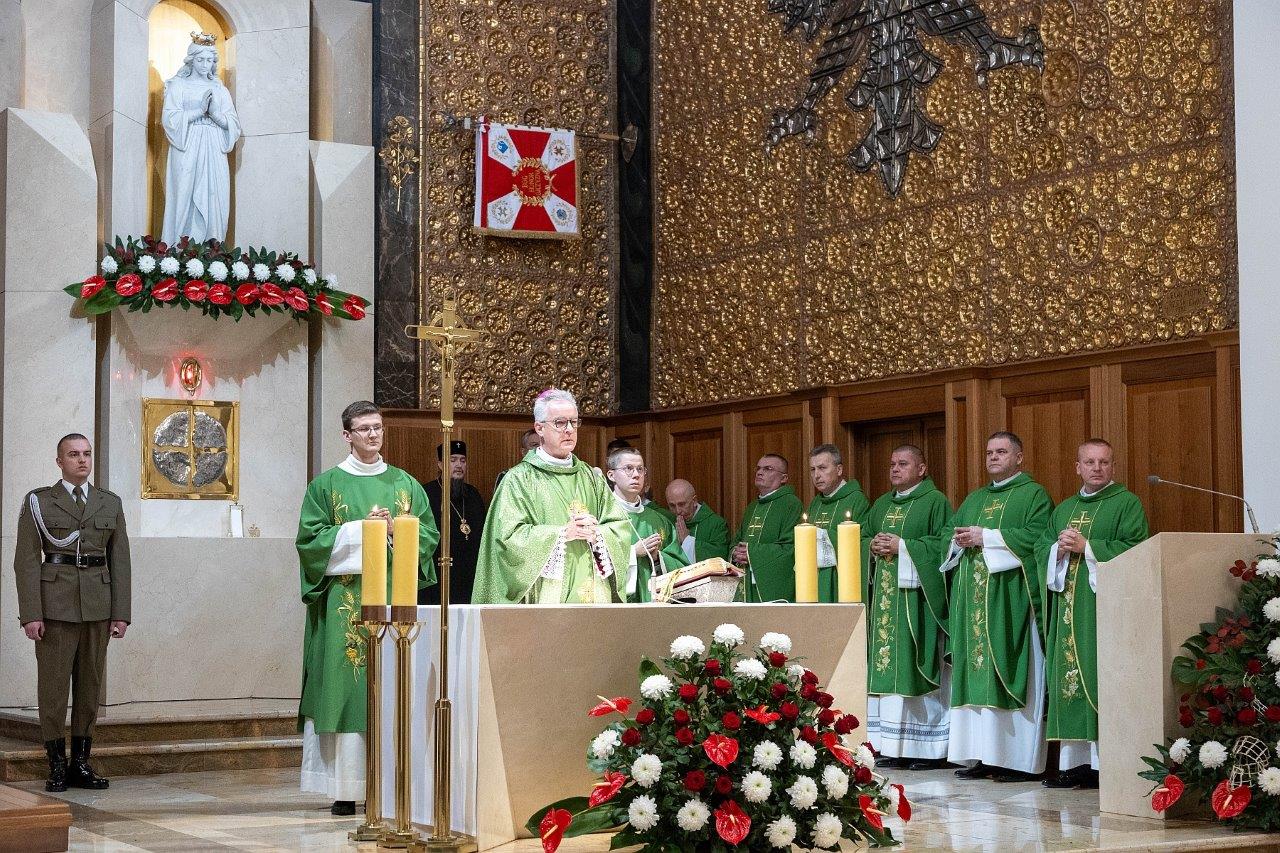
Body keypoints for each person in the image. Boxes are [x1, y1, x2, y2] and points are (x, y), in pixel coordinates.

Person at [295, 401, 438, 815]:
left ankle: (392, 785)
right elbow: (310, 542)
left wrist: (395, 530)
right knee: (346, 689)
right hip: (344, 606)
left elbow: (428, 538)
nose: (373, 435)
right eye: (364, 429)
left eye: (378, 427)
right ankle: (345, 787)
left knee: (393, 686)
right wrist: (362, 530)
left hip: (395, 602)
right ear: (347, 435)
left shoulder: (405, 484)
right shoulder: (325, 485)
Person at [14, 434, 130, 793]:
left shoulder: (109, 502)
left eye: (87, 454)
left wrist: (121, 612)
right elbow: (26, 561)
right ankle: (57, 764)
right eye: (74, 454)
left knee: (89, 687)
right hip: (56, 606)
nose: (82, 460)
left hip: (97, 606)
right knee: (53, 689)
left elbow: (120, 560)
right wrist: (31, 613)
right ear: (59, 461)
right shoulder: (39, 501)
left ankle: (81, 762)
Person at [1036, 439, 1148, 789]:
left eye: (1103, 462)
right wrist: (1056, 551)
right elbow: (1040, 547)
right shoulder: (1064, 508)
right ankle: (1075, 764)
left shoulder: (1127, 504)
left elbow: (1136, 549)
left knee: (1100, 678)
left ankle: (1105, 765)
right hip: (1067, 610)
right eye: (1089, 462)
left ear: (1113, 466)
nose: (1097, 468)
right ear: (1078, 467)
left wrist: (1088, 547)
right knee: (1068, 679)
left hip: (1102, 611)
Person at [942, 431, 1053, 782]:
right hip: (973, 606)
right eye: (989, 452)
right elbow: (950, 536)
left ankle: (1015, 761)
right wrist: (958, 541)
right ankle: (982, 756)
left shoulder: (1033, 495)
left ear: (1019, 457)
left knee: (1013, 671)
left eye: (1001, 452)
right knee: (975, 676)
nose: (993, 457)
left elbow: (1038, 539)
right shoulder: (974, 498)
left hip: (1011, 603)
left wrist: (986, 537)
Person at [472, 389, 631, 604]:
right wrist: (562, 534)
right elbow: (507, 539)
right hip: (545, 598)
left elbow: (619, 526)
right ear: (540, 428)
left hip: (593, 595)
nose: (569, 430)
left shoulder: (591, 477)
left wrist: (598, 534)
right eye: (560, 423)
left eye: (573, 422)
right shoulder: (518, 480)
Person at [863, 445, 953, 770]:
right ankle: (890, 745)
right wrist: (870, 546)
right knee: (887, 670)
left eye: (903, 463)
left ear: (922, 469)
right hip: (885, 607)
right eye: (892, 464)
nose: (895, 469)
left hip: (918, 604)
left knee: (915, 668)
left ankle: (927, 750)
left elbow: (944, 544)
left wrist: (903, 546)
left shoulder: (935, 501)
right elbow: (863, 537)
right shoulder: (881, 504)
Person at [161, 33, 241, 244]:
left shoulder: (220, 90)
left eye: (209, 60)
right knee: (185, 193)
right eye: (200, 60)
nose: (205, 65)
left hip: (214, 145)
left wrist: (215, 115)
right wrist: (199, 111)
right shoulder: (178, 85)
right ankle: (180, 247)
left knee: (214, 195)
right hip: (187, 144)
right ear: (191, 60)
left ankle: (212, 247)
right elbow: (169, 119)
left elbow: (233, 124)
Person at [607, 448, 689, 601]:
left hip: (653, 604)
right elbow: (590, 561)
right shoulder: (601, 515)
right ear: (611, 475)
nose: (636, 475)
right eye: (628, 468)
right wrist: (633, 553)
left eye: (640, 469)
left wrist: (658, 557)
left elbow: (682, 568)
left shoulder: (659, 521)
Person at [731, 454, 804, 601]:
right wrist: (735, 553)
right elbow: (736, 541)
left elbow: (791, 548)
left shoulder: (791, 504)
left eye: (768, 469)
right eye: (758, 468)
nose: (759, 472)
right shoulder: (752, 507)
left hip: (772, 587)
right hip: (745, 582)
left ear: (784, 478)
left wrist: (752, 553)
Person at [422, 441, 487, 605]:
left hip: (469, 576)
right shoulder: (427, 494)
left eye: (462, 460)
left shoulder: (473, 494)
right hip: (439, 578)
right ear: (440, 464)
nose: (459, 465)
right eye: (452, 460)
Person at [805, 444, 870, 602]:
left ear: (839, 469)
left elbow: (862, 542)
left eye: (822, 468)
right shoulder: (816, 503)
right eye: (813, 469)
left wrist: (823, 535)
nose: (816, 475)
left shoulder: (856, 499)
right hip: (814, 578)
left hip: (841, 580)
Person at [664, 479, 730, 562]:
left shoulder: (717, 524)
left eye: (682, 504)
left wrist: (687, 541)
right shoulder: (668, 522)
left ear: (694, 501)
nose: (678, 511)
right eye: (672, 506)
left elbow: (720, 558)